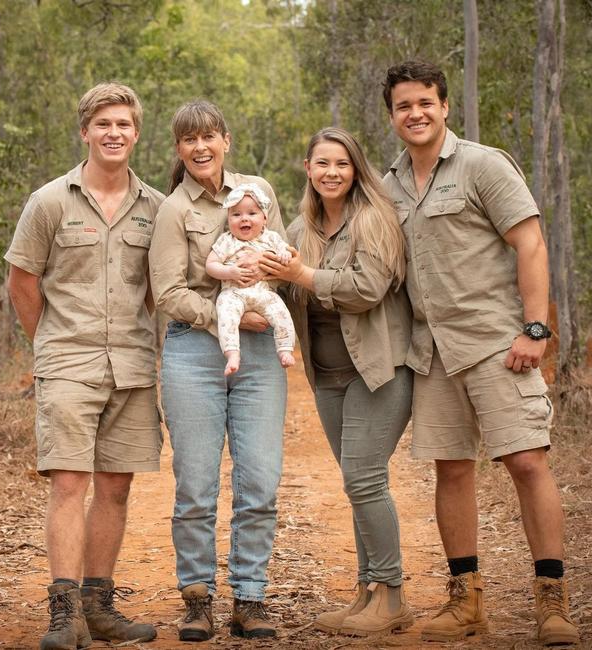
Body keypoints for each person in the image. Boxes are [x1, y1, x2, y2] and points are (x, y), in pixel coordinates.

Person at [381, 60, 579, 646]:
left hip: (499, 344)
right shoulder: (389, 184)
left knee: (526, 462)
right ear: (391, 114)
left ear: (444, 106)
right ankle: (466, 600)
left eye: (425, 103)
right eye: (403, 106)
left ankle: (553, 602)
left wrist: (535, 330)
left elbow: (530, 242)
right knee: (452, 469)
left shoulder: (483, 165)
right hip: (433, 351)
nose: (415, 114)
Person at [5, 83, 163, 650]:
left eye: (123, 124)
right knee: (70, 483)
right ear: (85, 131)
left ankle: (99, 608)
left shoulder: (156, 209)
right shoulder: (49, 202)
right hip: (68, 362)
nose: (114, 133)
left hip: (133, 367)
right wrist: (49, 344)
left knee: (116, 488)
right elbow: (23, 282)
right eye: (103, 124)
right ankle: (63, 611)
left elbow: (159, 288)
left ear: (136, 132)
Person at [259, 127, 414, 638]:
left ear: (356, 170)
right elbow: (284, 291)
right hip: (326, 375)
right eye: (322, 163)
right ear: (307, 169)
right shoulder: (302, 229)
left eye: (342, 164)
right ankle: (366, 592)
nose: (331, 173)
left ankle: (391, 595)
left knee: (364, 478)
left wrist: (302, 275)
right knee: (356, 483)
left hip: (377, 370)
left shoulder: (374, 219)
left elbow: (367, 289)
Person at [149, 100, 287, 642]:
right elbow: (167, 292)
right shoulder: (171, 210)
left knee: (259, 480)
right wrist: (226, 317)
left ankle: (250, 598)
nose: (200, 147)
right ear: (179, 149)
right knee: (197, 486)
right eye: (189, 140)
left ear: (226, 139)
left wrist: (262, 307)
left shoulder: (256, 193)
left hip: (258, 356)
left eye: (209, 136)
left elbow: (278, 258)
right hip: (192, 352)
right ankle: (197, 598)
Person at [206, 182, 296, 375]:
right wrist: (229, 272)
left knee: (282, 314)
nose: (244, 219)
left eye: (252, 213)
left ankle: (285, 349)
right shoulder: (226, 240)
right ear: (228, 219)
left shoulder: (271, 238)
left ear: (265, 218)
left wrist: (285, 254)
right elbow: (211, 265)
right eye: (236, 214)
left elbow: (286, 253)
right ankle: (232, 353)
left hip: (264, 293)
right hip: (234, 293)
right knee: (226, 315)